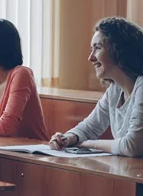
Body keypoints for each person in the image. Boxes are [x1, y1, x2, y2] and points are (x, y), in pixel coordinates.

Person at [49, 17, 143, 157]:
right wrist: (67, 138)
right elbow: (89, 128)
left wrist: (89, 144)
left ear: (119, 50)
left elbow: (132, 146)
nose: (90, 57)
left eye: (97, 48)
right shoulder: (115, 89)